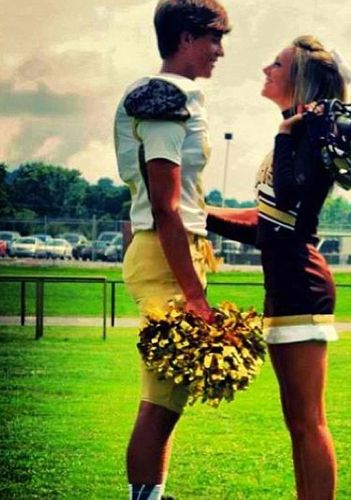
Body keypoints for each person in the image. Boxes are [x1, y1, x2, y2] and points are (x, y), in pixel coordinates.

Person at [207, 36, 351, 499]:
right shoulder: (298, 134)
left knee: (309, 422)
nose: (266, 69)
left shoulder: (307, 134)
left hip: (301, 288)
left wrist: (283, 134)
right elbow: (267, 226)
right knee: (298, 423)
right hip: (285, 287)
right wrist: (198, 214)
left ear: (300, 79)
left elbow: (289, 196)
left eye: (278, 63)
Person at [113, 1, 230, 499]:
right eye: (214, 39)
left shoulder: (181, 95)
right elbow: (165, 206)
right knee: (159, 399)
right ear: (185, 37)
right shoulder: (162, 95)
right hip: (166, 257)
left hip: (175, 254)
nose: (219, 51)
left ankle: (153, 495)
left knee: (171, 396)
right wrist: (195, 296)